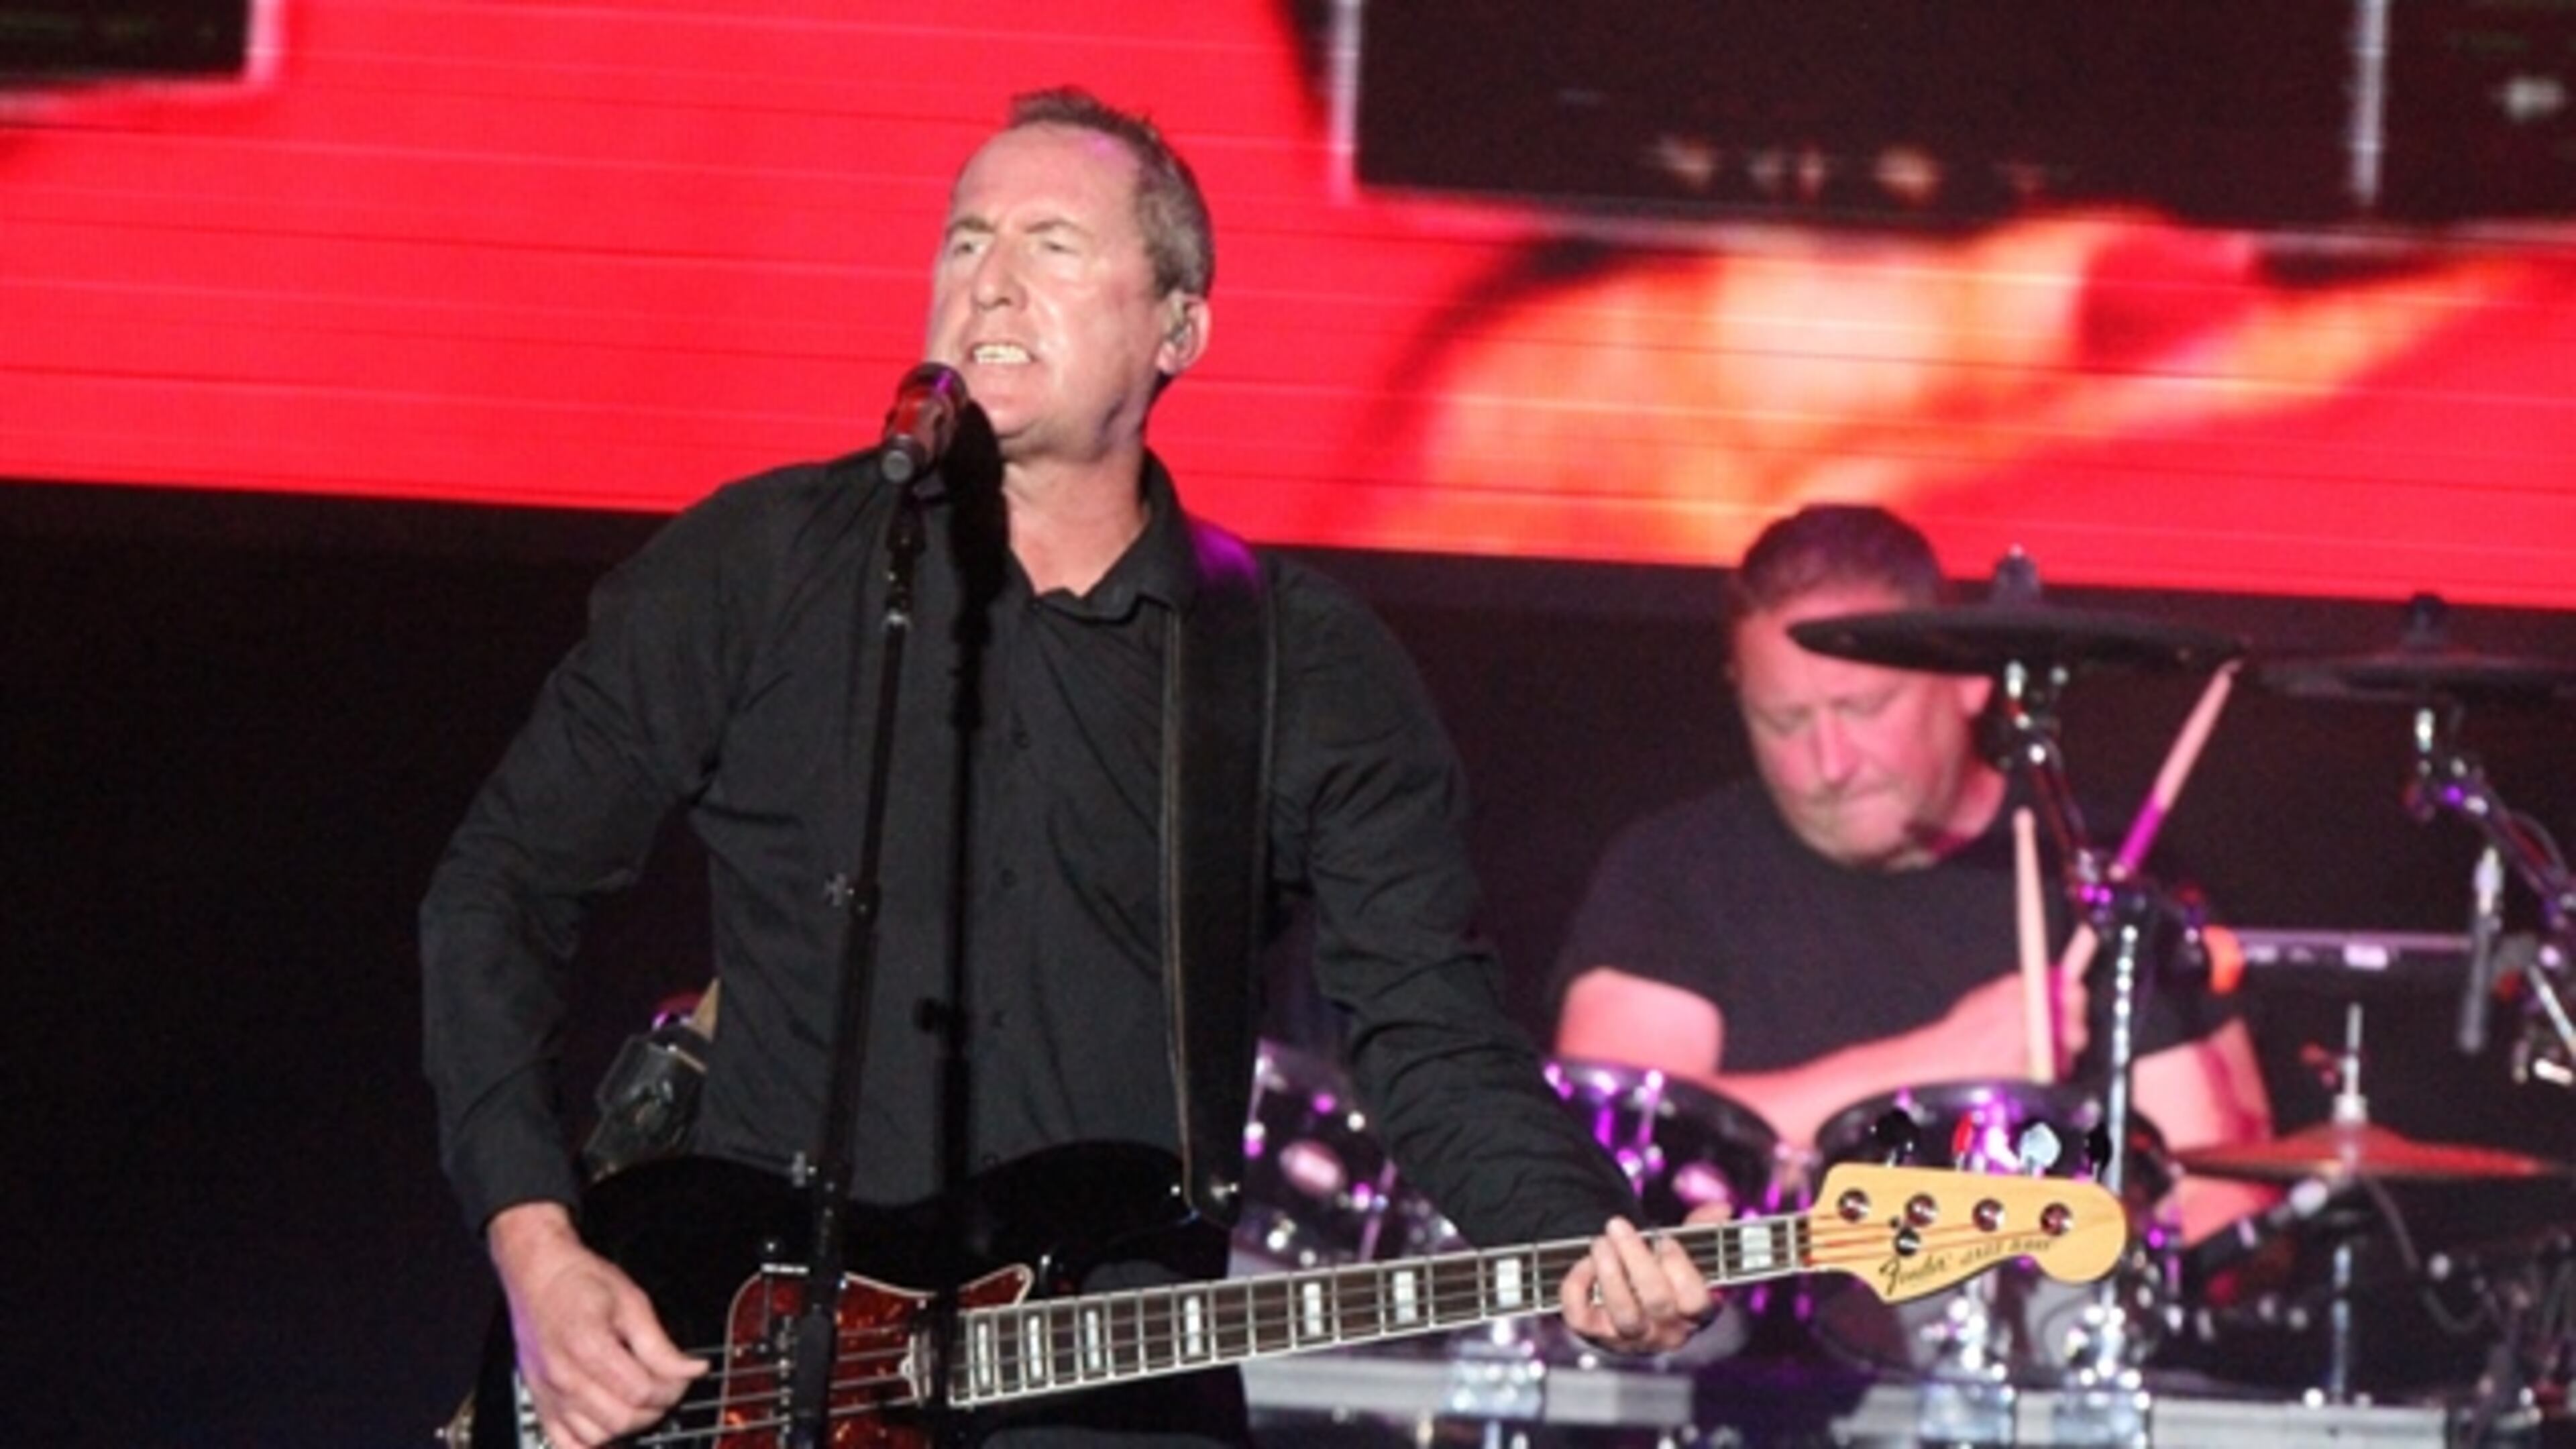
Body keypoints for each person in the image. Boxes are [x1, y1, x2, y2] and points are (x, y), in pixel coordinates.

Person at [422, 87, 1717, 1449]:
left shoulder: (1292, 661)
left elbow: (1427, 1022)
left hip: (1107, 1381)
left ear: (1180, 328)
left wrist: (1579, 1233)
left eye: (1052, 243)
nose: (987, 279)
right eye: (964, 238)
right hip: (753, 1373)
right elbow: (498, 888)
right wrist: (536, 1244)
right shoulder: (759, 570)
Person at [1552, 504, 2275, 1246]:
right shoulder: (1679, 870)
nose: (1828, 765)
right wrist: (1941, 1066)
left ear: (1967, 682)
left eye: (1863, 708)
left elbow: (2220, 1199)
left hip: (2033, 1346)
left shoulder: (2104, 880)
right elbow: (1610, 1159)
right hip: (1747, 1349)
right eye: (1785, 721)